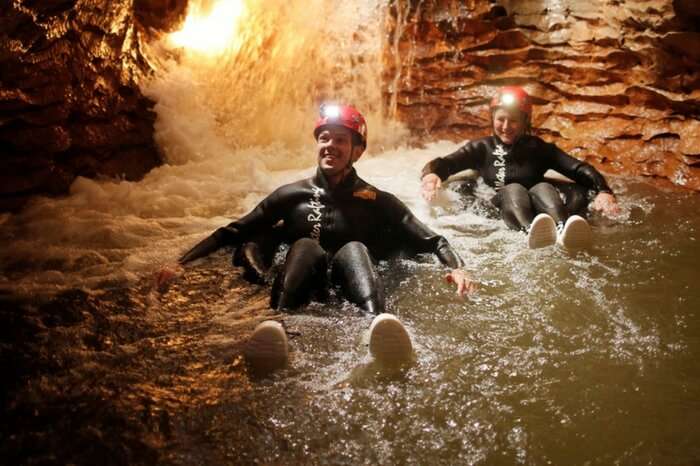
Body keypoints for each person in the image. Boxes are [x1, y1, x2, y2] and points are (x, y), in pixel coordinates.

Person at [157, 104, 477, 372]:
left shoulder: (377, 200)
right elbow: (234, 231)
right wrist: (180, 262)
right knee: (306, 246)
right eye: (324, 138)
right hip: (304, 283)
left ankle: (377, 327)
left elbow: (433, 241)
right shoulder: (292, 194)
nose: (330, 145)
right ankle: (276, 327)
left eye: (340, 139)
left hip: (350, 285)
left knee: (353, 248)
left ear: (357, 150)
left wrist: (458, 267)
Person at [420, 86, 620, 249]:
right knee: (513, 189)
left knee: (543, 188)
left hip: (538, 204)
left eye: (513, 120)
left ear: (525, 121)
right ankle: (530, 232)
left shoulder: (538, 148)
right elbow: (446, 163)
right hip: (499, 206)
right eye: (501, 119)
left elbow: (578, 169)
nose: (506, 126)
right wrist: (431, 175)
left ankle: (562, 229)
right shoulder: (481, 148)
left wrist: (604, 191)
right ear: (492, 119)